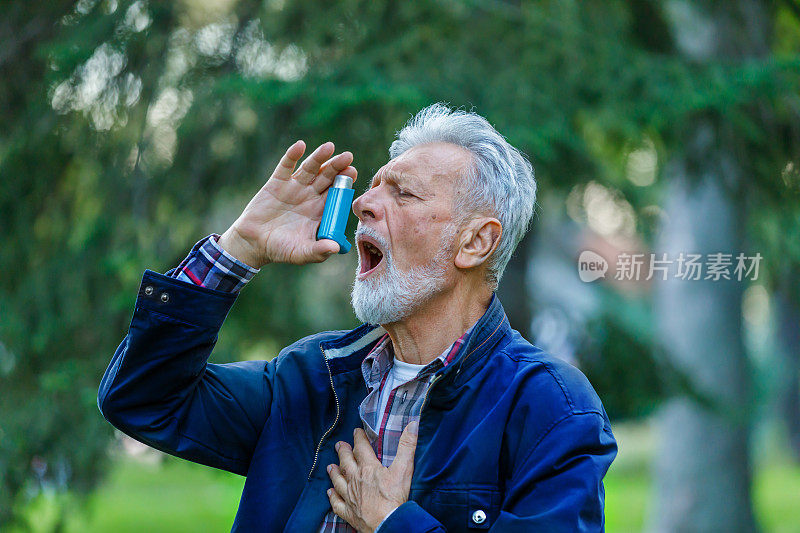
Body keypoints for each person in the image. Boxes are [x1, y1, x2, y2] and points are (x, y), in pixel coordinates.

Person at [98, 104, 617, 532]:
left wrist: (392, 522)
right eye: (372, 188)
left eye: (403, 193)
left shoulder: (552, 409)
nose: (363, 204)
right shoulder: (311, 375)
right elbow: (143, 398)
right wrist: (239, 248)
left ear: (476, 242)